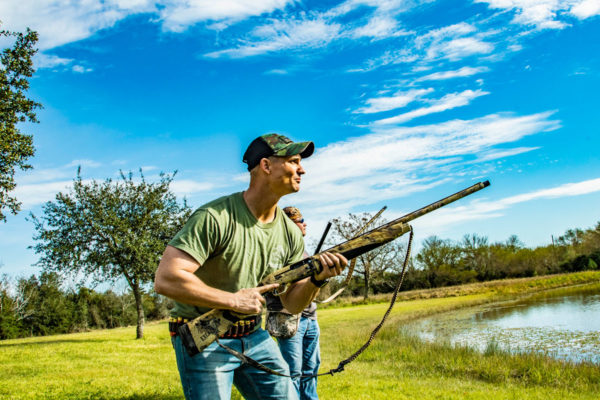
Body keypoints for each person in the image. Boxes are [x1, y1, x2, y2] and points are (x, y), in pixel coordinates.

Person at [154, 133, 348, 400]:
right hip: (206, 337)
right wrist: (232, 300)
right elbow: (167, 278)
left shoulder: (289, 232)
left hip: (255, 335)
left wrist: (316, 280)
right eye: (293, 161)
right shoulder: (215, 217)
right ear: (266, 166)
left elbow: (290, 306)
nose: (302, 169)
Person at [279, 206, 321, 400]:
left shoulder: (304, 252)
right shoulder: (279, 252)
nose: (305, 224)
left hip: (310, 317)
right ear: (289, 226)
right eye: (300, 221)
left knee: (312, 369)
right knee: (293, 372)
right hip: (289, 319)